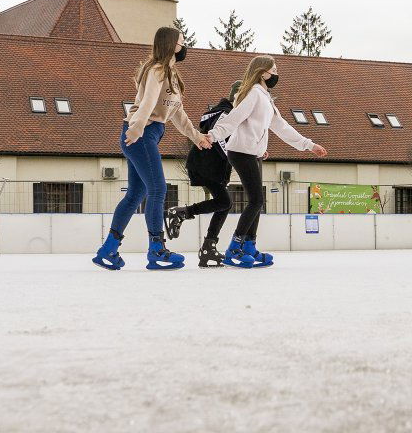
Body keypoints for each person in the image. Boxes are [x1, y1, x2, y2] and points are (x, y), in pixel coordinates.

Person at [94, 26, 212, 271]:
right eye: (182, 42)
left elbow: (178, 114)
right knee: (157, 190)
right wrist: (136, 128)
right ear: (171, 44)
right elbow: (147, 102)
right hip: (141, 132)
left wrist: (197, 136)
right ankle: (157, 250)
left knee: (136, 195)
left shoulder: (172, 76)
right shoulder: (156, 70)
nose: (184, 46)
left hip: (150, 133)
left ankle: (108, 249)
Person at [206, 55, 328, 267]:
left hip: (252, 153)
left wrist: (309, 144)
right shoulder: (253, 94)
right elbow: (233, 118)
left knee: (257, 201)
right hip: (240, 151)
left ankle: (249, 246)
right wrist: (213, 135)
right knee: (256, 200)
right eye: (274, 69)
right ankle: (234, 248)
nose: (276, 74)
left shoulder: (266, 98)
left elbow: (282, 127)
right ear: (263, 72)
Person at [163, 82, 240, 268]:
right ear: (237, 95)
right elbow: (219, 137)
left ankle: (208, 248)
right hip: (207, 164)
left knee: (224, 204)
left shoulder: (223, 111)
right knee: (224, 202)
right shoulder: (225, 112)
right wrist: (237, 157)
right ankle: (182, 213)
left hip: (209, 164)